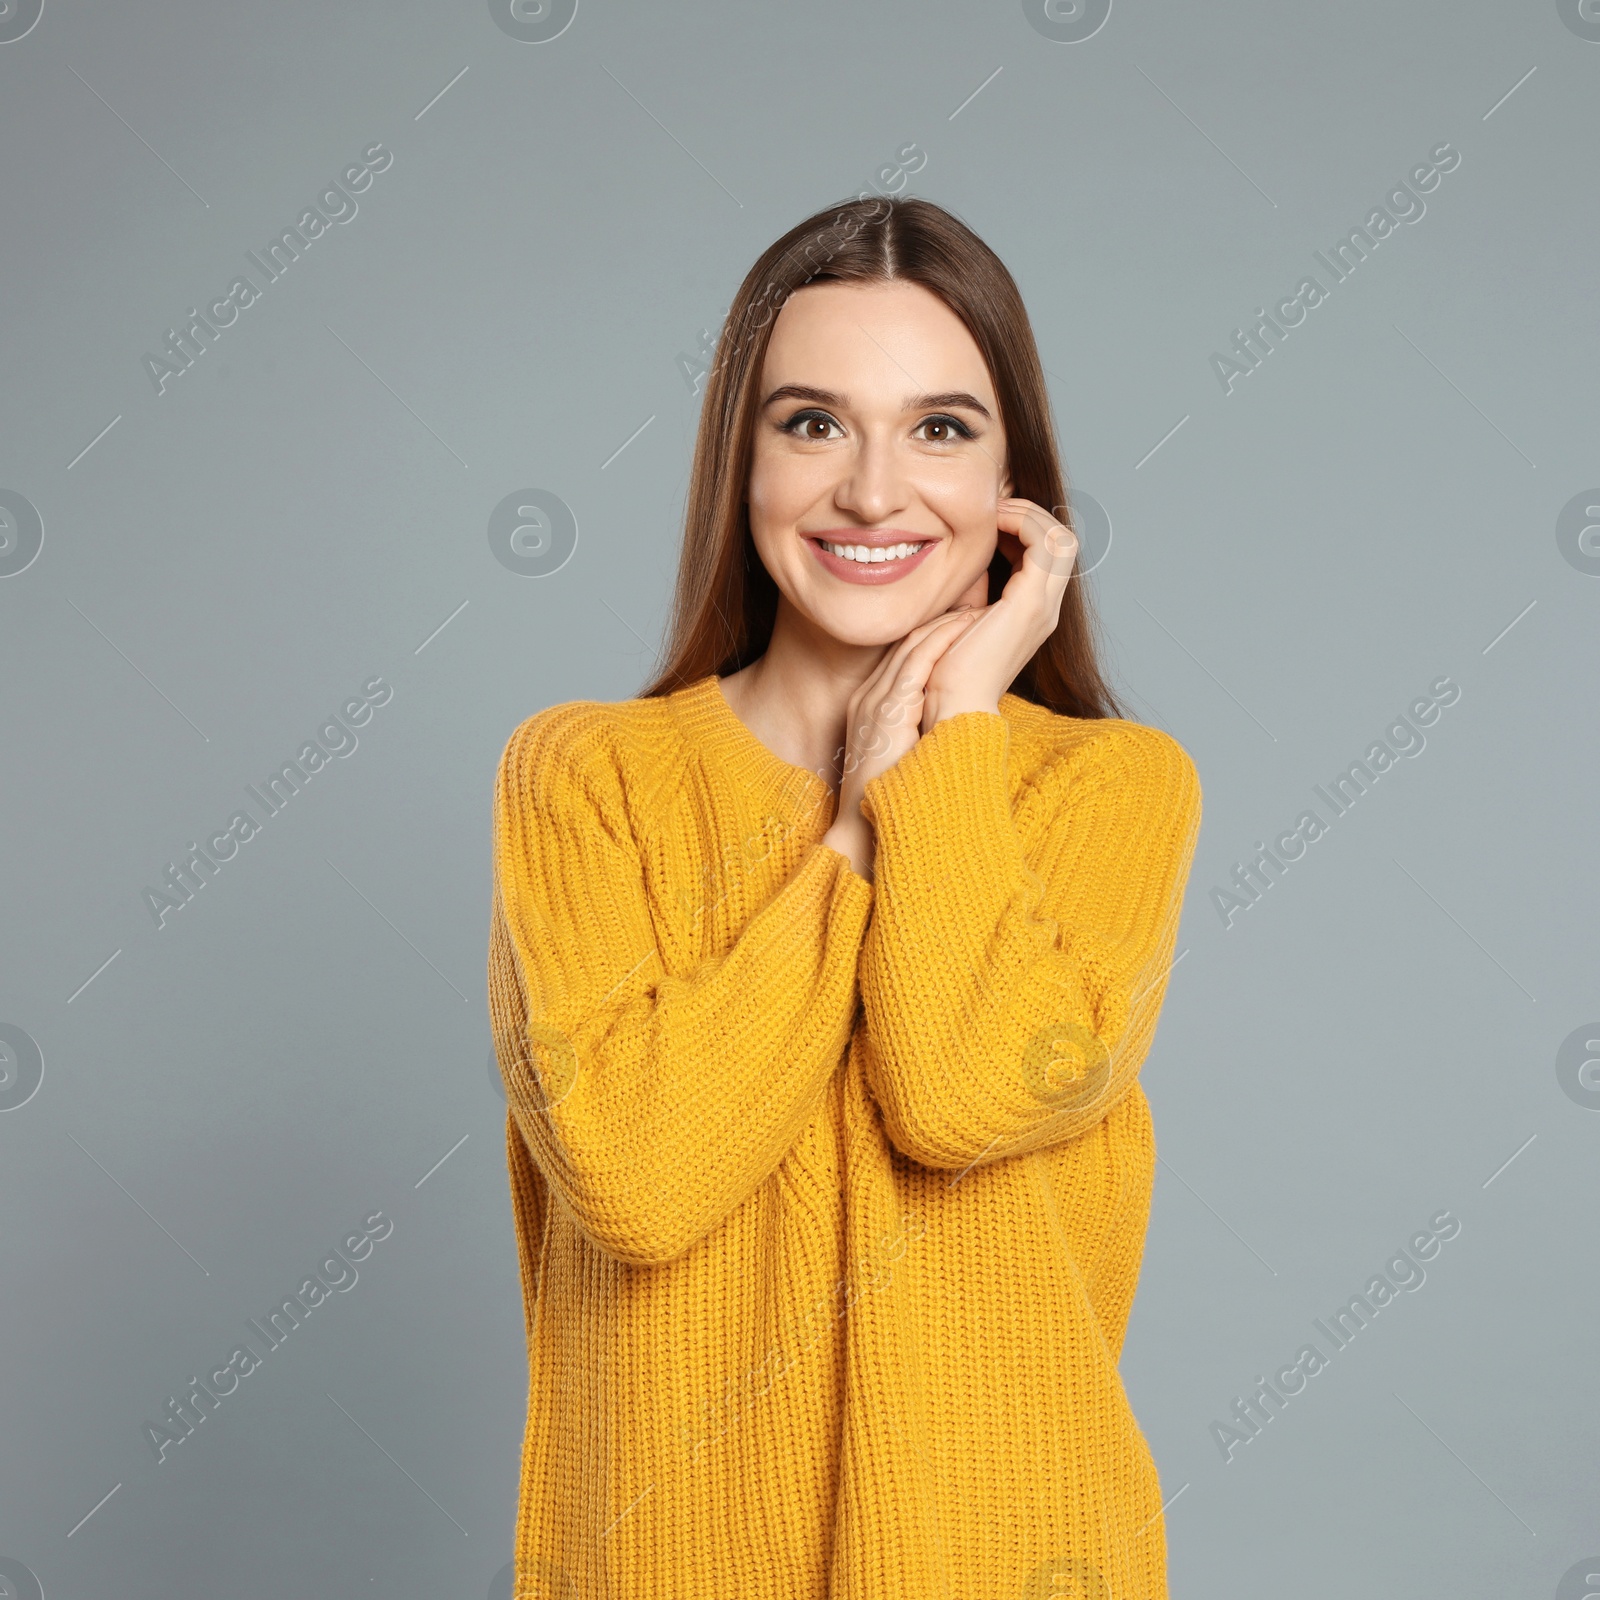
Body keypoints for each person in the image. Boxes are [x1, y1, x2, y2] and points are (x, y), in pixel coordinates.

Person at [488, 195, 1203, 1600]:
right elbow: (637, 1177)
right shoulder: (587, 777)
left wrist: (944, 752)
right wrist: (856, 839)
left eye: (940, 428)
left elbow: (960, 1091)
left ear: (1017, 485)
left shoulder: (1112, 791)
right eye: (812, 423)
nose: (874, 493)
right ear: (737, 464)